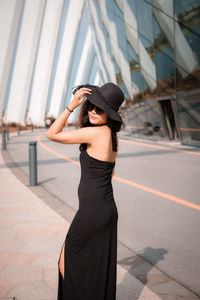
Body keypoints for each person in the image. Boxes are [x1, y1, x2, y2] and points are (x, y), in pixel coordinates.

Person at [46, 82, 125, 300]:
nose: (92, 111)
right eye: (91, 105)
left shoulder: (94, 134)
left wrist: (71, 106)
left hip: (92, 211)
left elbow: (52, 134)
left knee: (67, 261)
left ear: (109, 114)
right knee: (95, 268)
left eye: (99, 109)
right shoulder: (112, 136)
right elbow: (110, 174)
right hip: (107, 210)